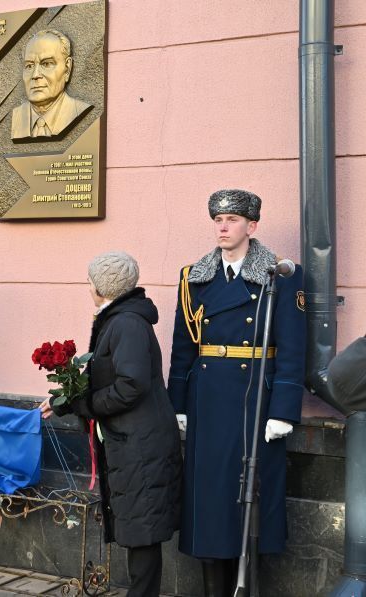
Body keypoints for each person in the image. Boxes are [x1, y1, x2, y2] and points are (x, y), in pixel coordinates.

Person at [167, 189, 306, 596]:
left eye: (232, 219)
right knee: (209, 498)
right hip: (208, 398)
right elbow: (182, 348)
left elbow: (293, 348)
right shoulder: (194, 276)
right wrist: (179, 403)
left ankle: (248, 588)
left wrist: (283, 408)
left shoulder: (280, 275)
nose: (223, 226)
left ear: (252, 226)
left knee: (250, 499)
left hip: (255, 401)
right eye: (218, 219)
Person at [39, 251, 181, 597]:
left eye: (91, 280)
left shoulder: (126, 323)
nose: (88, 286)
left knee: (142, 528)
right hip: (132, 439)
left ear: (104, 286)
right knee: (138, 524)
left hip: (140, 442)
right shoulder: (119, 319)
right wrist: (62, 402)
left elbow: (130, 384)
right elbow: (108, 376)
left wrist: (85, 405)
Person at [11, 29, 92, 141]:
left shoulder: (80, 112)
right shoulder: (16, 117)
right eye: (29, 66)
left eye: (47, 64)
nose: (35, 75)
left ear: (67, 68)